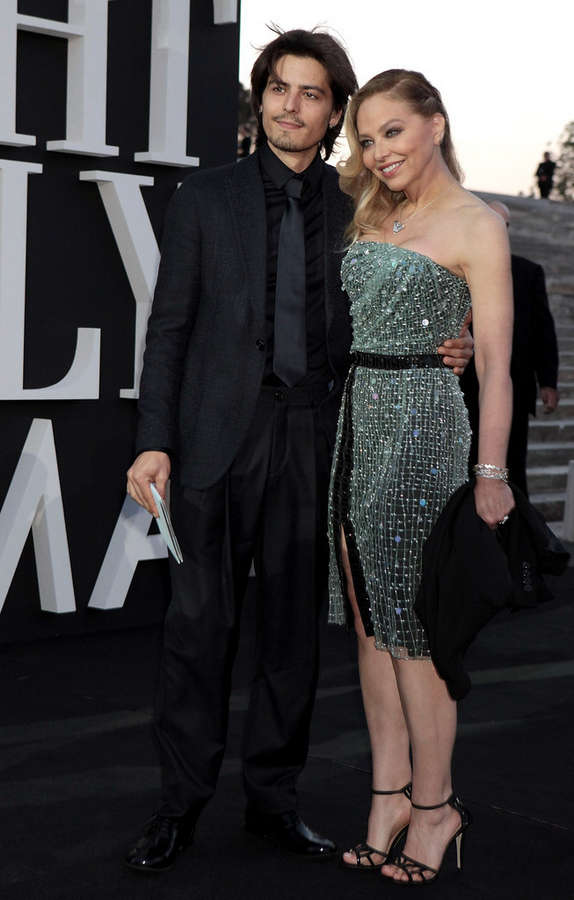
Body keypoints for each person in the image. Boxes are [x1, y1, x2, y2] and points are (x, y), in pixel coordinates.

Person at [124, 31, 472, 873]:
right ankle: (180, 806)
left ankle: (273, 802)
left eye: (311, 93)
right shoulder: (205, 196)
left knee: (291, 637)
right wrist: (154, 441)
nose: (290, 105)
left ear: (334, 111)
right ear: (262, 97)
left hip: (318, 437)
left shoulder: (363, 204)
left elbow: (415, 283)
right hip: (214, 440)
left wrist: (447, 340)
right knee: (198, 631)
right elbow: (168, 328)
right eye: (279, 87)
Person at [327, 69, 515, 885]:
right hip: (357, 426)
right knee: (371, 630)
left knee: (416, 635)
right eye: (367, 139)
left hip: (423, 432)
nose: (378, 152)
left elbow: (497, 366)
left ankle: (437, 810)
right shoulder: (375, 213)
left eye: (393, 132)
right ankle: (389, 797)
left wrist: (490, 472)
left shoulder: (477, 223)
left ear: (434, 124)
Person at [462, 201, 559, 495]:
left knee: (513, 468)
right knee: (465, 467)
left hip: (515, 387)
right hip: (465, 386)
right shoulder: (459, 268)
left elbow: (544, 330)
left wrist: (548, 382)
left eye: (501, 225)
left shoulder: (528, 272)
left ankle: (516, 523)